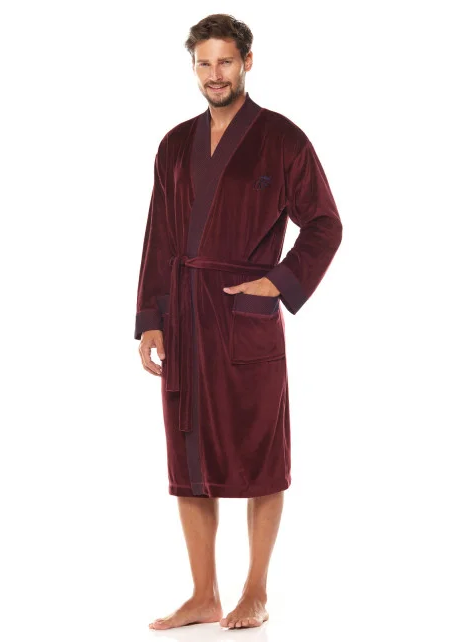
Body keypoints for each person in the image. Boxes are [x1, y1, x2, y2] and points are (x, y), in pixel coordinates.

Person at [134, 13, 343, 631]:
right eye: (204, 63)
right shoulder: (175, 144)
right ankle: (203, 593)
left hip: (243, 317)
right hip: (184, 317)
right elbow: (159, 234)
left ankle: (255, 590)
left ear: (247, 62)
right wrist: (151, 318)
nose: (214, 74)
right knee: (189, 459)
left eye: (225, 61)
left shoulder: (282, 139)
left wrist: (278, 280)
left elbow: (325, 224)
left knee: (260, 452)